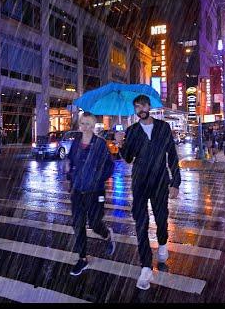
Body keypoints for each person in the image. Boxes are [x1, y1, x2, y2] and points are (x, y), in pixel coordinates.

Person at [114, 94, 181, 290]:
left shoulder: (163, 127)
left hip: (160, 181)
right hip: (140, 182)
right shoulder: (132, 131)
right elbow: (127, 158)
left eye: (143, 105)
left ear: (149, 106)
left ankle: (162, 244)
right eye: (136, 107)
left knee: (161, 219)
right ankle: (145, 266)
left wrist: (175, 182)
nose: (140, 109)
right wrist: (120, 144)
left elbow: (172, 156)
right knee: (141, 223)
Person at [64, 112, 116, 276]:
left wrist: (98, 178)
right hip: (77, 190)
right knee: (78, 225)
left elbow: (110, 165)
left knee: (94, 224)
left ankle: (107, 235)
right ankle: (82, 258)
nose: (85, 127)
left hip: (95, 191)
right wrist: (68, 171)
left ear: (93, 126)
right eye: (82, 124)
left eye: (88, 124)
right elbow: (70, 161)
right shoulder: (76, 143)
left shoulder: (100, 144)